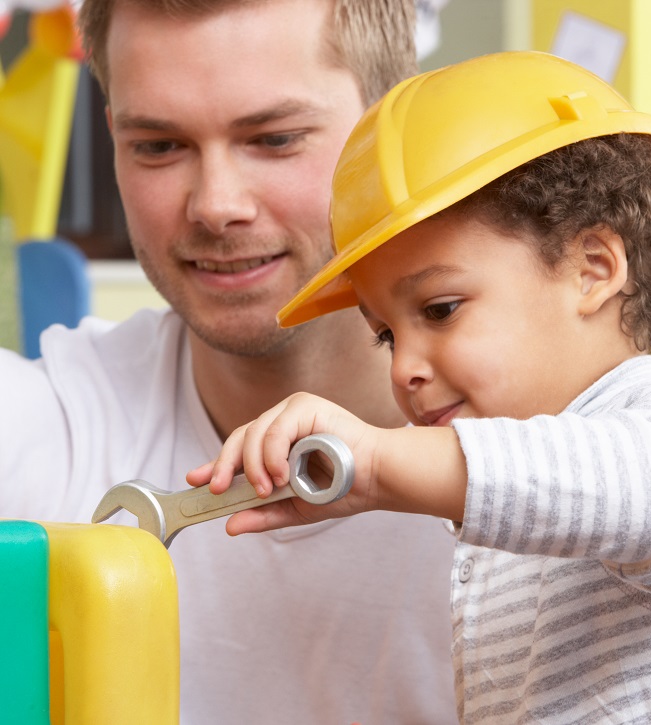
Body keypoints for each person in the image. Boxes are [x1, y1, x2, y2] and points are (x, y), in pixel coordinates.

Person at [192, 52, 651, 723]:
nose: (403, 367)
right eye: (386, 333)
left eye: (440, 308)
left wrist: (381, 462)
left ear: (592, 268)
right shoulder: (504, 533)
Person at [1, 0, 460, 722]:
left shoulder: (584, 443)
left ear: (391, 127)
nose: (216, 206)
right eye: (157, 146)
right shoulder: (50, 417)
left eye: (273, 139)